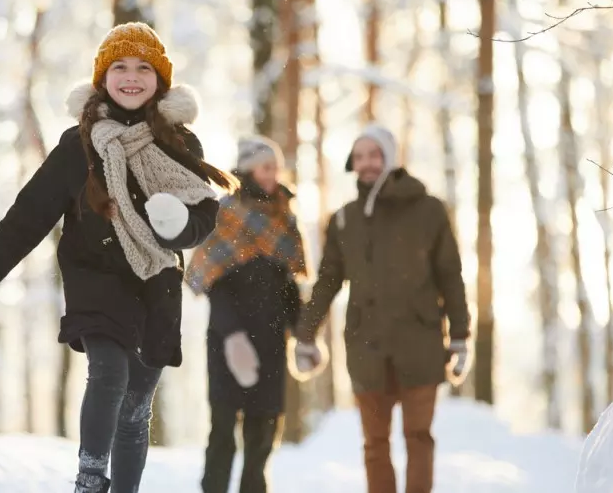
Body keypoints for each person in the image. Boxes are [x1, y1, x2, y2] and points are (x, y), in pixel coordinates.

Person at [0, 22, 237, 493]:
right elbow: (30, 214)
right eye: (120, 67)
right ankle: (90, 481)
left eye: (143, 68)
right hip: (95, 277)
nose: (131, 77)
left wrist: (178, 226)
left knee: (136, 405)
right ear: (102, 77)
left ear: (161, 79)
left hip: (156, 281)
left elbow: (202, 215)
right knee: (109, 370)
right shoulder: (80, 144)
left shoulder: (180, 143)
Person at [292, 124, 472, 493]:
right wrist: (306, 335)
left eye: (374, 154)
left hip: (419, 344)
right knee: (375, 444)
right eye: (359, 157)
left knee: (418, 436)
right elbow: (327, 282)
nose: (367, 163)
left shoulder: (429, 210)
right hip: (366, 347)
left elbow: (450, 276)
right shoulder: (344, 219)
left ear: (389, 158)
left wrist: (459, 336)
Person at [184, 135, 312, 493]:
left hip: (272, 339)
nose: (272, 174)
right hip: (228, 341)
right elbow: (213, 283)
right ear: (248, 168)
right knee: (223, 431)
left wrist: (303, 336)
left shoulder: (285, 215)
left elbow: (289, 285)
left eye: (276, 167)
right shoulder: (226, 212)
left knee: (263, 433)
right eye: (265, 166)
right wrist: (234, 337)